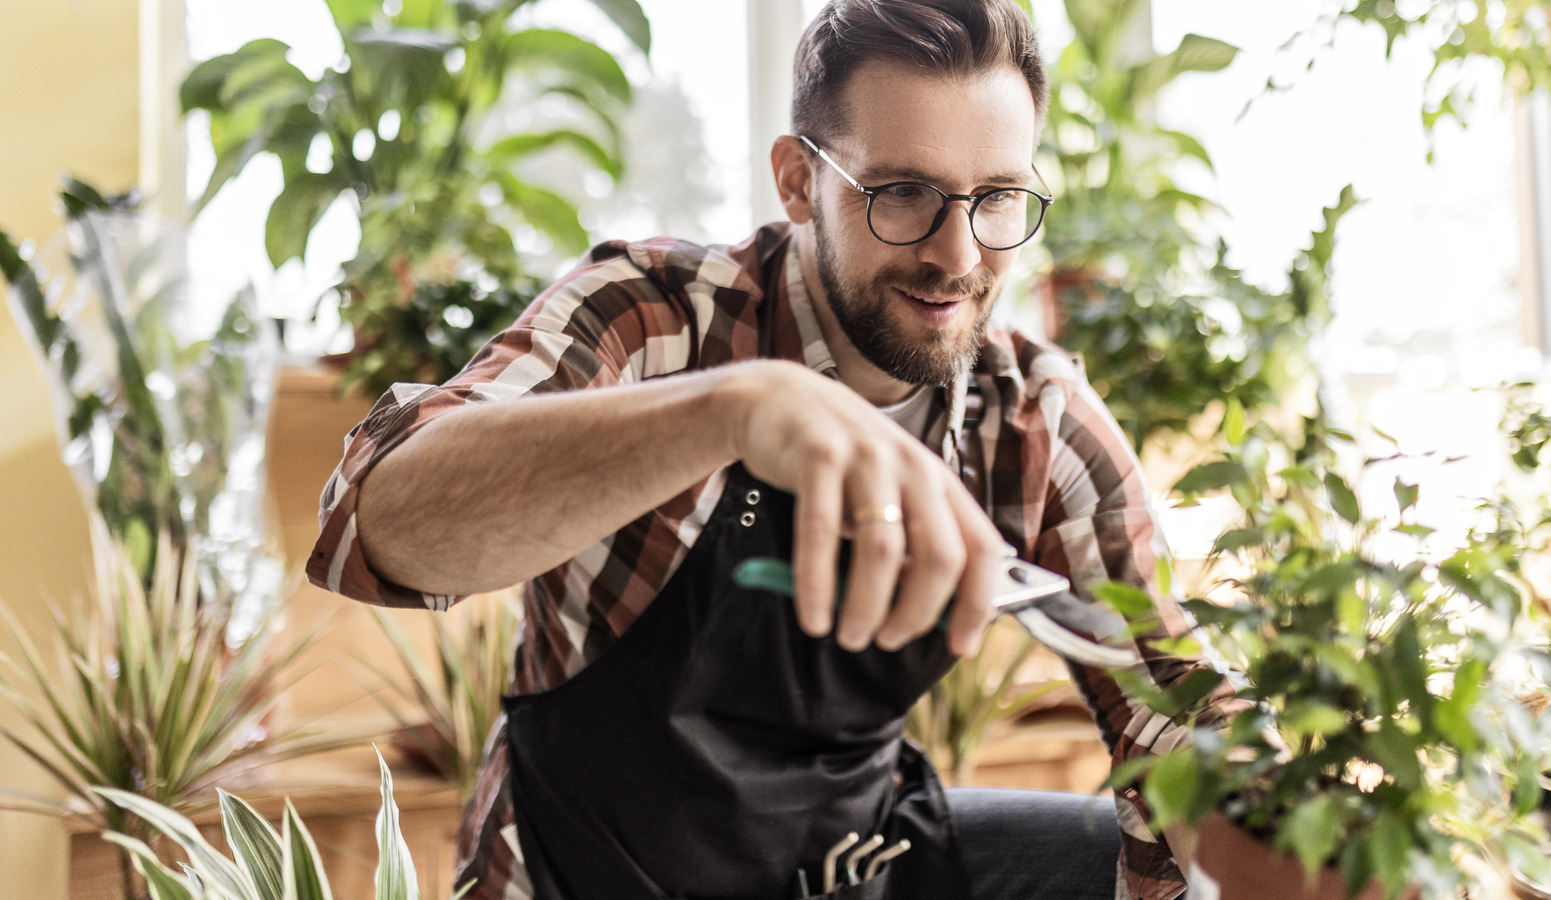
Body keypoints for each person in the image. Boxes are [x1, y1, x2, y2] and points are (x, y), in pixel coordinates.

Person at [309, 1, 1226, 898]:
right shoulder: (651, 318)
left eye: (997, 198)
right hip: (581, 870)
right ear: (796, 180)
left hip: (846, 862)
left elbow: (1177, 701)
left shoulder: (1029, 417)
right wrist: (737, 408)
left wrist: (1277, 831)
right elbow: (372, 523)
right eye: (901, 194)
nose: (957, 255)